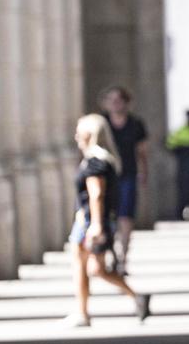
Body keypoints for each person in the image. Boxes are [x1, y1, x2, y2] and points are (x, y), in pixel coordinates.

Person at [65, 114, 151, 327]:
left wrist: (96, 224)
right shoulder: (102, 159)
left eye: (80, 131)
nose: (76, 136)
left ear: (90, 133)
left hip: (91, 221)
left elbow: (96, 194)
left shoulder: (96, 162)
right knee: (88, 266)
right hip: (91, 220)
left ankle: (130, 298)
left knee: (91, 268)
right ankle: (84, 310)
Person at [101, 86, 148, 274]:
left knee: (126, 217)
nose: (115, 103)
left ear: (126, 103)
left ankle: (123, 257)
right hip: (107, 175)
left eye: (118, 100)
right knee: (108, 218)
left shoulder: (135, 124)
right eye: (111, 100)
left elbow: (142, 152)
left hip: (128, 174)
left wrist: (144, 172)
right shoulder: (102, 123)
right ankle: (111, 254)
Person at [166, 109, 189, 221]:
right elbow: (170, 144)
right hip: (183, 164)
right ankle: (180, 213)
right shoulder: (180, 131)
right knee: (183, 189)